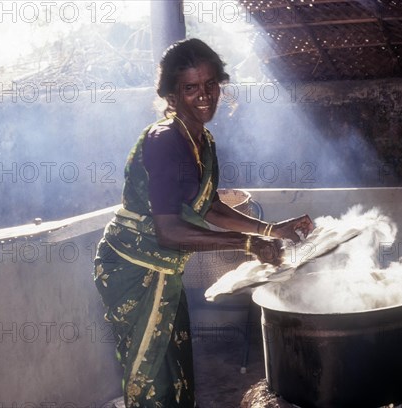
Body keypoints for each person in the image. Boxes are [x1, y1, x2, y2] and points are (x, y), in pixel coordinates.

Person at [93, 38, 313, 407]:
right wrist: (245, 244)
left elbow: (209, 206)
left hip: (164, 270)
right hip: (133, 269)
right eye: (190, 87)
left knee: (177, 370)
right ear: (171, 95)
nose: (204, 95)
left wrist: (271, 230)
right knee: (154, 380)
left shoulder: (201, 140)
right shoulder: (165, 141)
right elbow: (169, 230)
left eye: (210, 84)